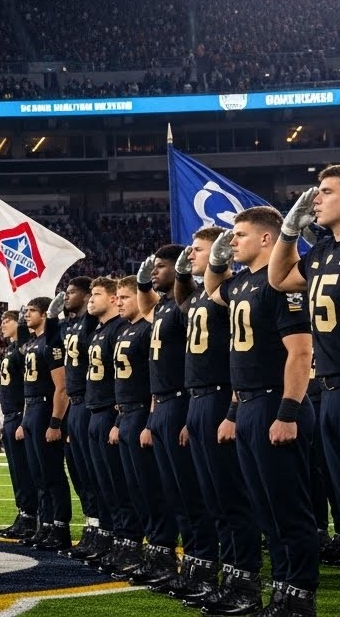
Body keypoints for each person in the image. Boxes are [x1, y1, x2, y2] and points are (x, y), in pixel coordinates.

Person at [269, 165, 340, 617]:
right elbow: (279, 278)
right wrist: (288, 232)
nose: (317, 199)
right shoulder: (325, 251)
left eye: (327, 191)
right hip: (331, 392)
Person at [204, 206, 317, 616]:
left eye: (239, 235)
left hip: (275, 402)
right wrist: (215, 259)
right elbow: (213, 290)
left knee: (288, 510)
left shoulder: (280, 283)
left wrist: (287, 412)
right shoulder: (243, 283)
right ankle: (281, 594)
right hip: (250, 403)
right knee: (265, 509)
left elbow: (301, 352)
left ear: (267, 239)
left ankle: (299, 598)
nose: (232, 241)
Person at [178, 228, 265, 614]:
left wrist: (230, 410)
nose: (192, 255)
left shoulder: (234, 290)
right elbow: (184, 303)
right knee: (213, 498)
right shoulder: (203, 293)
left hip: (221, 395)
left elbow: (236, 357)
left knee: (231, 497)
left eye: (198, 250)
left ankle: (244, 577)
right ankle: (228, 576)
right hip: (199, 399)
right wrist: (185, 275)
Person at [135, 246, 216, 601]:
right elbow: (146, 307)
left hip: (186, 402)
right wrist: (142, 282)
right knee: (177, 494)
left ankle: (206, 564)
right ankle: (192, 564)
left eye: (161, 266)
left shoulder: (188, 303)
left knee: (194, 494)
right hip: (165, 403)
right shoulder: (163, 307)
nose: (155, 271)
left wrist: (184, 277)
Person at [109, 275, 177, 587]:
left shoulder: (149, 328)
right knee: (135, 487)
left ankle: (163, 550)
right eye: (119, 297)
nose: (119, 302)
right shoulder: (125, 329)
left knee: (151, 487)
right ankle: (152, 549)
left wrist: (149, 420)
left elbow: (154, 376)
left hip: (143, 411)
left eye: (125, 297)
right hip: (126, 413)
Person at [82, 277, 140, 576]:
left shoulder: (121, 327)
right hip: (98, 408)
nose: (92, 299)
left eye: (98, 294)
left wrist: (118, 415)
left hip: (113, 409)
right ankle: (115, 537)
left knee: (120, 482)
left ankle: (128, 540)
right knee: (104, 481)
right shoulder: (101, 329)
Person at [15, 296, 73, 551]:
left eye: (32, 311)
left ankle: (60, 526)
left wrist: (55, 422)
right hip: (31, 407)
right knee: (38, 474)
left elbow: (62, 386)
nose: (27, 315)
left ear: (44, 315)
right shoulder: (32, 343)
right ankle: (45, 524)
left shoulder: (50, 344)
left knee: (51, 473)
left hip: (44, 406)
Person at [56, 278, 103, 558]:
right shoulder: (71, 325)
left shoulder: (93, 325)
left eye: (72, 292)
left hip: (89, 400)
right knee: (79, 470)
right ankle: (92, 525)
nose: (66, 296)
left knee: (94, 472)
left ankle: (102, 529)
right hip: (76, 404)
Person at [0, 309, 37, 540]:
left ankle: (31, 515)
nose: (2, 324)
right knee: (16, 471)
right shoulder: (11, 350)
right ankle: (23, 513)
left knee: (24, 469)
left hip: (21, 413)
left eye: (7, 320)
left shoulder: (23, 348)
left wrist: (24, 417)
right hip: (10, 414)